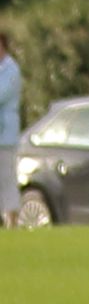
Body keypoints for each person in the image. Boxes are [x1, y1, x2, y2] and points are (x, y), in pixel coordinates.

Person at [0, 32, 20, 229]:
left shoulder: (11, 69)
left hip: (5, 135)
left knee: (6, 179)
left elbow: (2, 94)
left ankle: (12, 222)